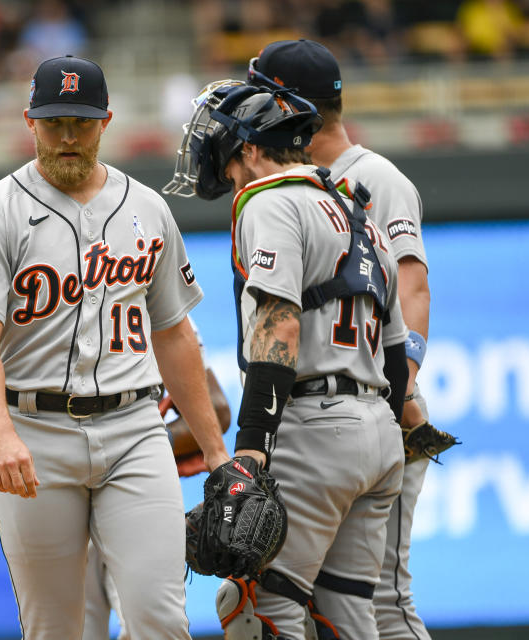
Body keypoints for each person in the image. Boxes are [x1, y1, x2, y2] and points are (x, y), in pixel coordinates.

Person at [0, 54, 231, 639]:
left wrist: (217, 453)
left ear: (106, 121)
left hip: (134, 428)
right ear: (29, 121)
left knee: (159, 617)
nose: (68, 137)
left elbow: (174, 335)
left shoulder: (148, 209)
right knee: (55, 627)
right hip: (33, 431)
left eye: (82, 122)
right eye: (54, 122)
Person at [164, 79, 413, 639]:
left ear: (251, 150)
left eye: (229, 160)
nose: (229, 175)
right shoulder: (356, 211)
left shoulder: (271, 200)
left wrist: (251, 448)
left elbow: (279, 323)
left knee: (254, 603)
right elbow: (396, 352)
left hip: (317, 428)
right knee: (348, 612)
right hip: (378, 431)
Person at [248, 39, 459, 639]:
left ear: (286, 104)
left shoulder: (372, 177)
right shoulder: (295, 182)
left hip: (379, 404)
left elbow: (412, 285)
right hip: (319, 416)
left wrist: (403, 390)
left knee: (384, 603)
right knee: (313, 606)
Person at [82, 319, 233, 640]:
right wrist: (139, 447)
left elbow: (217, 409)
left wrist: (137, 446)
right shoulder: (147, 295)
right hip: (136, 491)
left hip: (85, 491)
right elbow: (217, 409)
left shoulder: (38, 290)